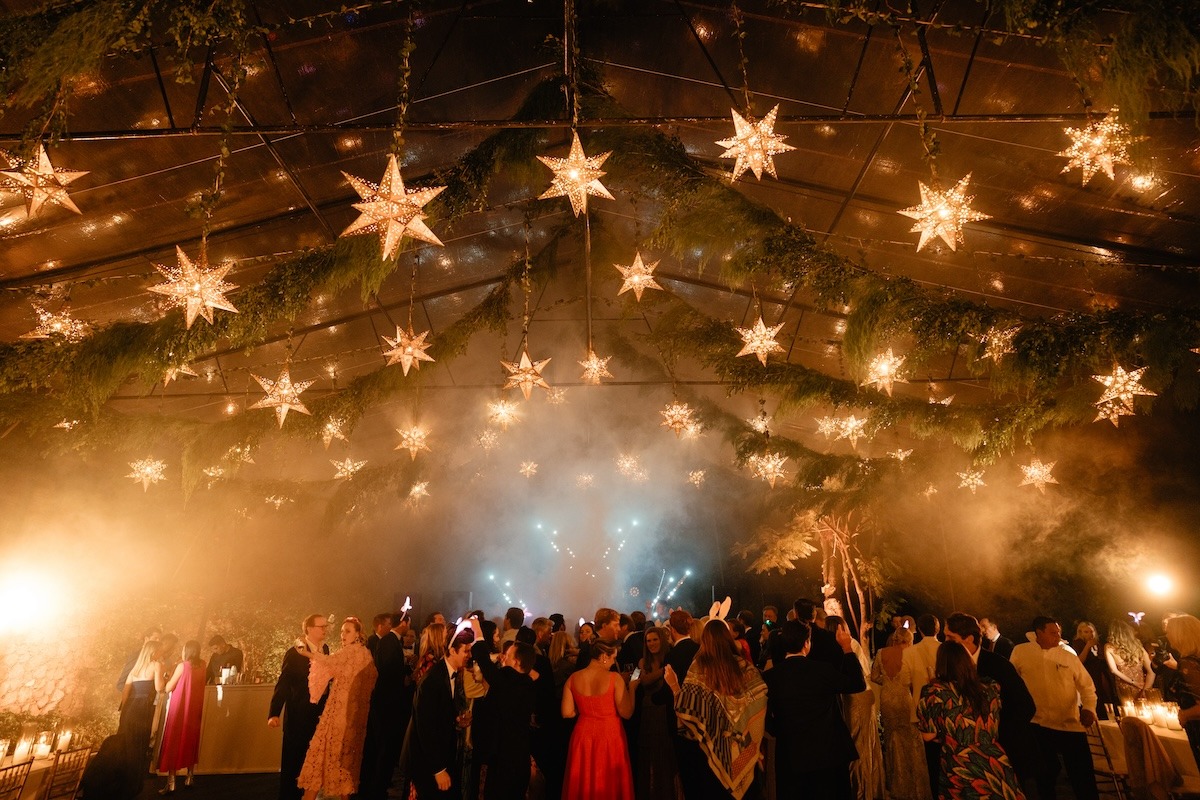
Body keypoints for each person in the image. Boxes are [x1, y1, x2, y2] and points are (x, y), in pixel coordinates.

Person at [665, 619, 766, 800]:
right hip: (744, 746)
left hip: (710, 750)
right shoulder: (745, 667)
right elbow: (759, 699)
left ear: (704, 640)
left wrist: (674, 686)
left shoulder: (699, 668)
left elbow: (687, 708)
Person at [764, 619, 864, 799]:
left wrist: (778, 729)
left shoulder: (771, 677)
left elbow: (764, 716)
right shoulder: (822, 670)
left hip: (790, 756)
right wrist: (847, 648)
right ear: (806, 643)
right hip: (826, 754)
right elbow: (857, 684)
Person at [942, 613, 1038, 798]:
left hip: (1005, 752)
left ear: (968, 639)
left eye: (950, 637)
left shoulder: (999, 665)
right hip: (968, 759)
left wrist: (995, 736)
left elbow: (1026, 706)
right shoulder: (951, 667)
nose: (945, 642)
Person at [916, 642, 1025, 799]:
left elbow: (927, 735)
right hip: (994, 760)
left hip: (961, 762)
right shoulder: (990, 688)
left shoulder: (936, 692)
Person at [1010, 615, 1099, 800]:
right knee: (1044, 776)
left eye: (1059, 632)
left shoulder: (1068, 654)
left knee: (1082, 775)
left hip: (1070, 723)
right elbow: (1012, 682)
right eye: (1052, 633)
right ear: (1038, 633)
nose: (1058, 636)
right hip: (1038, 724)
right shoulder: (1021, 652)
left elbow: (1087, 686)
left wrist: (1089, 708)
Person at [296, 617, 378, 800]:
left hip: (338, 715)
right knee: (341, 763)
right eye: (342, 631)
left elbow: (327, 662)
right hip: (352, 717)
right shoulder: (366, 655)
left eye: (347, 631)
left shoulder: (350, 653)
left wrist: (307, 653)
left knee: (322, 758)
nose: (343, 635)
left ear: (358, 634)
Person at [401, 625, 474, 798]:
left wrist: (456, 721)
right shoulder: (432, 681)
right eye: (466, 651)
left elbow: (438, 714)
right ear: (452, 651)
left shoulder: (451, 673)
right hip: (424, 760)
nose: (469, 656)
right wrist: (438, 769)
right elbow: (425, 728)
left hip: (437, 755)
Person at [470, 620, 538, 800]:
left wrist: (477, 631)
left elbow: (482, 659)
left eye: (507, 655)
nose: (503, 657)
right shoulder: (529, 685)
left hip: (502, 756)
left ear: (516, 661)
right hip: (521, 754)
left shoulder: (507, 680)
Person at [562, 638, 635, 799]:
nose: (612, 662)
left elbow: (566, 712)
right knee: (609, 781)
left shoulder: (573, 678)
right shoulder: (614, 678)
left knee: (584, 779)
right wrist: (633, 688)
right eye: (613, 658)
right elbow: (626, 712)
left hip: (583, 734)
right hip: (610, 734)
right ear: (603, 656)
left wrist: (583, 710)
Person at [268, 614, 330, 800]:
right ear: (308, 629)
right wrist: (274, 712)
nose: (325, 630)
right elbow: (284, 683)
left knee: (313, 763)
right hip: (298, 716)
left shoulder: (325, 649)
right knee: (293, 765)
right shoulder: (295, 652)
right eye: (321, 626)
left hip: (318, 716)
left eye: (326, 626)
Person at [871, 624, 932, 800]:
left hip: (887, 701)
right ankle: (915, 788)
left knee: (892, 739)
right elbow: (918, 680)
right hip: (905, 701)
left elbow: (874, 677)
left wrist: (889, 683)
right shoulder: (911, 655)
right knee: (912, 741)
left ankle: (897, 786)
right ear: (909, 640)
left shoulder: (881, 653)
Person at [359, 612, 413, 800]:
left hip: (386, 704)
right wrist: (404, 678)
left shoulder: (391, 640)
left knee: (384, 748)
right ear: (404, 623)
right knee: (384, 749)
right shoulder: (390, 640)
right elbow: (386, 672)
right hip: (386, 705)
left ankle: (378, 788)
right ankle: (378, 790)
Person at [902, 613, 944, 797]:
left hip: (922, 709)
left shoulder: (910, 652)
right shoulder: (946, 649)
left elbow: (905, 681)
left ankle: (934, 792)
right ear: (938, 629)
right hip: (947, 707)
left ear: (918, 630)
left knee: (931, 759)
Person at [156, 639, 206, 794]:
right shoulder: (203, 665)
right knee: (191, 740)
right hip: (194, 708)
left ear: (188, 651)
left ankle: (171, 782)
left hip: (179, 708)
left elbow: (169, 687)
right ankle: (190, 777)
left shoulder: (183, 666)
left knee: (174, 741)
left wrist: (167, 677)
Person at [634, 626, 678, 800]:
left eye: (655, 639)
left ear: (662, 639)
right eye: (648, 640)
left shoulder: (669, 657)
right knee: (649, 753)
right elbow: (644, 681)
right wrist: (665, 670)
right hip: (648, 712)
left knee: (665, 751)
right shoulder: (643, 662)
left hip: (665, 710)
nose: (651, 643)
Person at [1161, 613, 1200, 767]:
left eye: (1169, 631)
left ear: (1180, 634)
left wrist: (1184, 714)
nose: (1167, 635)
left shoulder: (1188, 665)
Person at [118, 640, 164, 768]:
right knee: (140, 737)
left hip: (130, 706)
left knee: (127, 738)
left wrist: (124, 709)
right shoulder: (156, 665)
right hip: (144, 706)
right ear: (154, 652)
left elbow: (125, 692)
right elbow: (159, 688)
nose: (162, 652)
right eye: (160, 650)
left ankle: (123, 767)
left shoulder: (135, 668)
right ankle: (137, 770)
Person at [1071, 621, 1117, 718]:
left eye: (1091, 631)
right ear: (1081, 633)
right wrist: (1087, 647)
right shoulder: (1078, 643)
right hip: (1089, 674)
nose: (1089, 634)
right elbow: (1078, 661)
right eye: (1086, 632)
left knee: (1105, 697)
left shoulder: (1098, 644)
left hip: (1101, 675)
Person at [1105, 618, 1155, 702]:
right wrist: (1145, 690)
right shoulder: (1138, 645)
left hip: (1124, 686)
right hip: (1142, 685)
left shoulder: (1109, 647)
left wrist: (1133, 682)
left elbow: (1113, 670)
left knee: (1129, 712)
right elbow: (1152, 671)